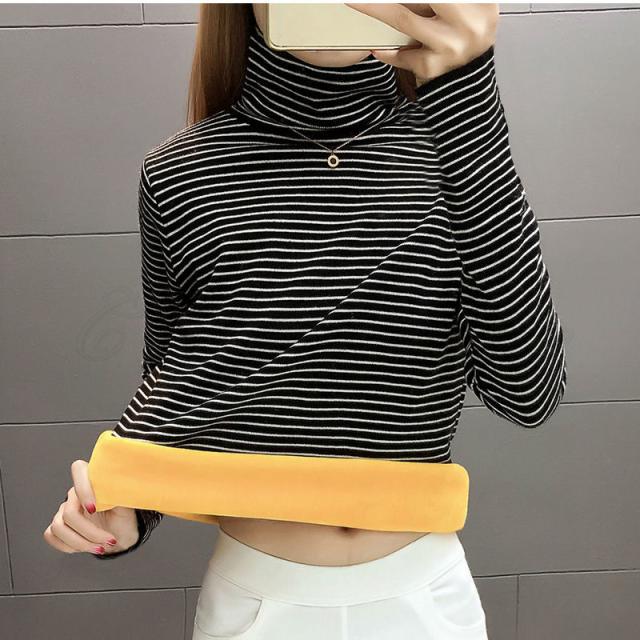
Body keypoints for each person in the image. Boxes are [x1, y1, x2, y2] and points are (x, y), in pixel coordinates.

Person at [44, 3, 567, 639]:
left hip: (426, 601)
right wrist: (128, 510)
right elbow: (179, 395)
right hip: (256, 605)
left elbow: (529, 394)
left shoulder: (457, 149)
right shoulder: (180, 172)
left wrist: (469, 97)